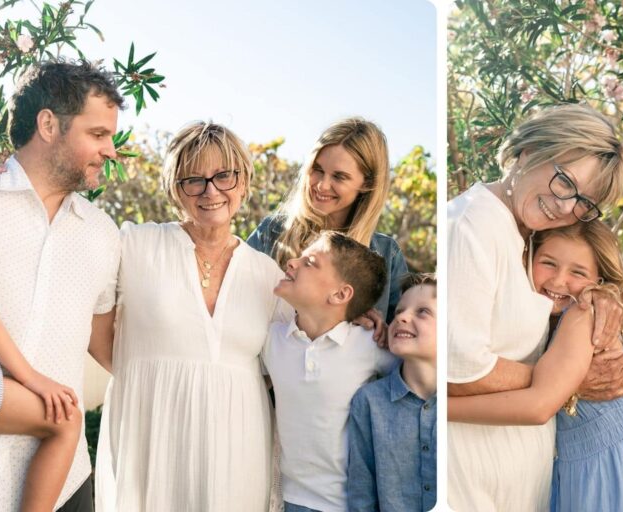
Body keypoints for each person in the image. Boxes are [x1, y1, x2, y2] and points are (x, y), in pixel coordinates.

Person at [0, 59, 123, 512]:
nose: (111, 150)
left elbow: (109, 347)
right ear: (49, 125)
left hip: (65, 487)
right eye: (98, 134)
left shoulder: (105, 235)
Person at [93, 121, 292, 511]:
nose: (210, 191)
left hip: (239, 447)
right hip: (153, 439)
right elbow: (96, 331)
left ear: (243, 182)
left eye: (224, 176)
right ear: (175, 188)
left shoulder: (268, 276)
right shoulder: (135, 245)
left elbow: (284, 366)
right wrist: (148, 380)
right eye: (194, 180)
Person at [447, 103, 623, 511]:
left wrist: (599, 295)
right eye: (565, 181)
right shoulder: (472, 226)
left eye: (584, 202)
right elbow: (458, 369)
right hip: (468, 482)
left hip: (516, 485)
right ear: (530, 150)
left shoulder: (524, 233)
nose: (566, 207)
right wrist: (565, 382)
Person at [449, 222, 623, 511]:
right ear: (528, 260)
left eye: (578, 272)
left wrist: (444, 407)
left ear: (598, 279)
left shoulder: (582, 313)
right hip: (591, 466)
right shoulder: (547, 321)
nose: (559, 281)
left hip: (614, 468)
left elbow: (538, 406)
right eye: (548, 263)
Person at [263, 231, 397, 512]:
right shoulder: (271, 339)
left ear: (340, 294)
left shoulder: (370, 344)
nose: (291, 263)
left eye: (310, 262)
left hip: (351, 502)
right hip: (289, 498)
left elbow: (417, 382)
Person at [247, 118, 408, 323]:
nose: (322, 185)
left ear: (367, 183)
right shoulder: (271, 233)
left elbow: (409, 331)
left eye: (339, 176)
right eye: (318, 169)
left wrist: (384, 331)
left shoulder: (387, 255)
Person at [346, 273, 437, 512]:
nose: (401, 317)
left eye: (422, 311)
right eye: (398, 311)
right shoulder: (369, 402)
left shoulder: (464, 403)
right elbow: (361, 496)